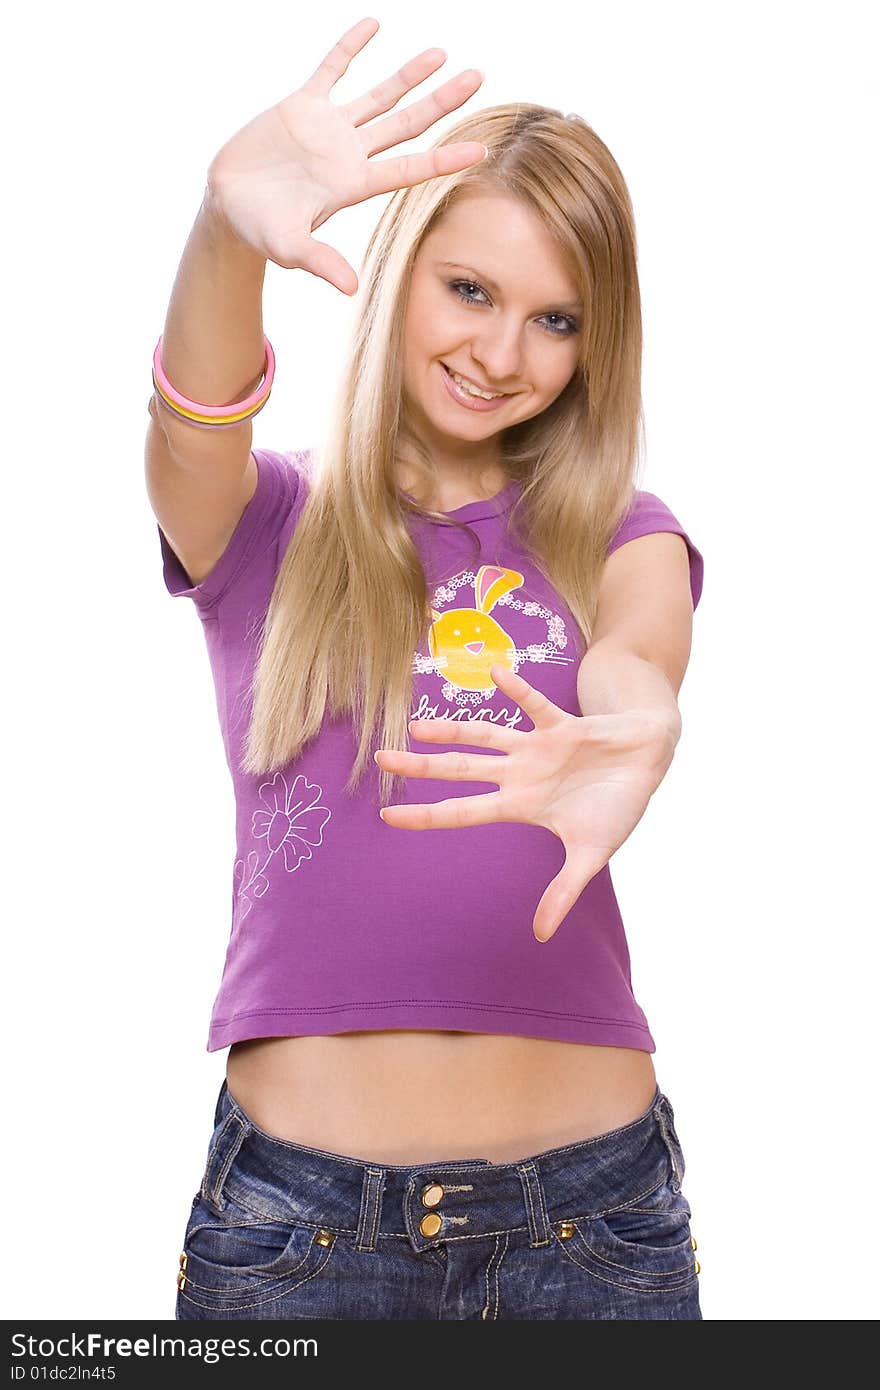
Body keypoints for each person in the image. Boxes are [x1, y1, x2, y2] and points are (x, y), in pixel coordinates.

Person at [147, 16, 705, 1321]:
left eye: (553, 317)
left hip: (596, 1231)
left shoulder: (621, 530)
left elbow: (636, 656)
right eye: (471, 290)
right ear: (399, 273)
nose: (502, 354)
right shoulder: (266, 524)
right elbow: (189, 427)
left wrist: (636, 723)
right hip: (297, 1238)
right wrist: (228, 230)